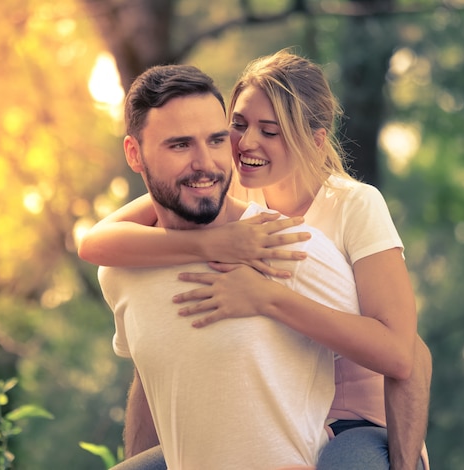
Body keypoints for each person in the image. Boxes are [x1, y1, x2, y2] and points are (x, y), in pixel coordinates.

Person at [81, 50, 432, 470]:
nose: (246, 143)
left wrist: (266, 298)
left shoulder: (353, 206)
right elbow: (97, 242)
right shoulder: (226, 196)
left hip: (356, 422)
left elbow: (406, 353)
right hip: (280, 414)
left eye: (270, 131)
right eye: (237, 126)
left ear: (314, 142)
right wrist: (214, 244)